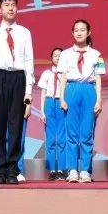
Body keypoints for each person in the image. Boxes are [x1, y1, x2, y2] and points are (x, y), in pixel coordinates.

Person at [0, 0, 34, 185]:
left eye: (13, 5)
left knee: (15, 126)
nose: (10, 8)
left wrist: (28, 91)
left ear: (17, 9)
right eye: (6, 5)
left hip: (18, 78)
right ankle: (0, 169)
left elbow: (29, 62)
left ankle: (13, 169)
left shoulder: (24, 32)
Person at [57, 20, 104, 183]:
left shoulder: (97, 54)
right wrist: (62, 98)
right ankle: (72, 170)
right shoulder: (65, 54)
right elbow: (62, 77)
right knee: (71, 134)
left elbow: (98, 79)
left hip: (88, 90)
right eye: (76, 30)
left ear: (89, 32)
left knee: (86, 133)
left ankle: (85, 170)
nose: (79, 33)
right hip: (72, 90)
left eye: (82, 30)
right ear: (72, 33)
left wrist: (99, 100)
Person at [36, 48, 65, 180]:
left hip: (62, 104)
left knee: (62, 139)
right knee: (51, 139)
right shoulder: (46, 74)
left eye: (60, 55)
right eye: (55, 55)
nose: (58, 57)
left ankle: (62, 169)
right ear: (51, 58)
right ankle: (52, 169)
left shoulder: (66, 74)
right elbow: (42, 94)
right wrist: (42, 111)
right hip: (49, 103)